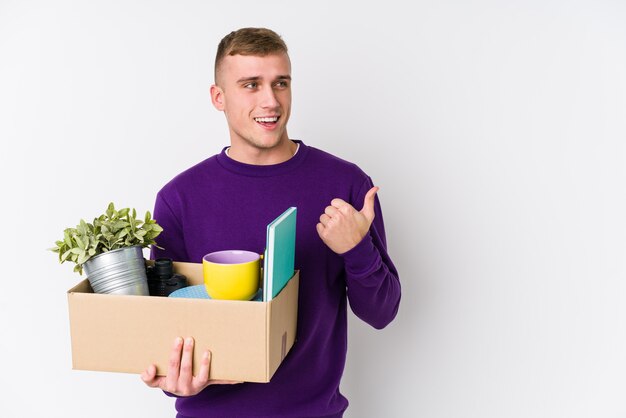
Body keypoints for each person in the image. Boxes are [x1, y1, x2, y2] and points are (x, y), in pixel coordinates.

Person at [141, 27, 401, 418]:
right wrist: (174, 378)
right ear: (219, 97)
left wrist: (357, 248)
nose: (271, 100)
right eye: (251, 84)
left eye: (281, 83)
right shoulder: (179, 199)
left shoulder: (345, 186)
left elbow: (382, 312)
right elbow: (162, 331)